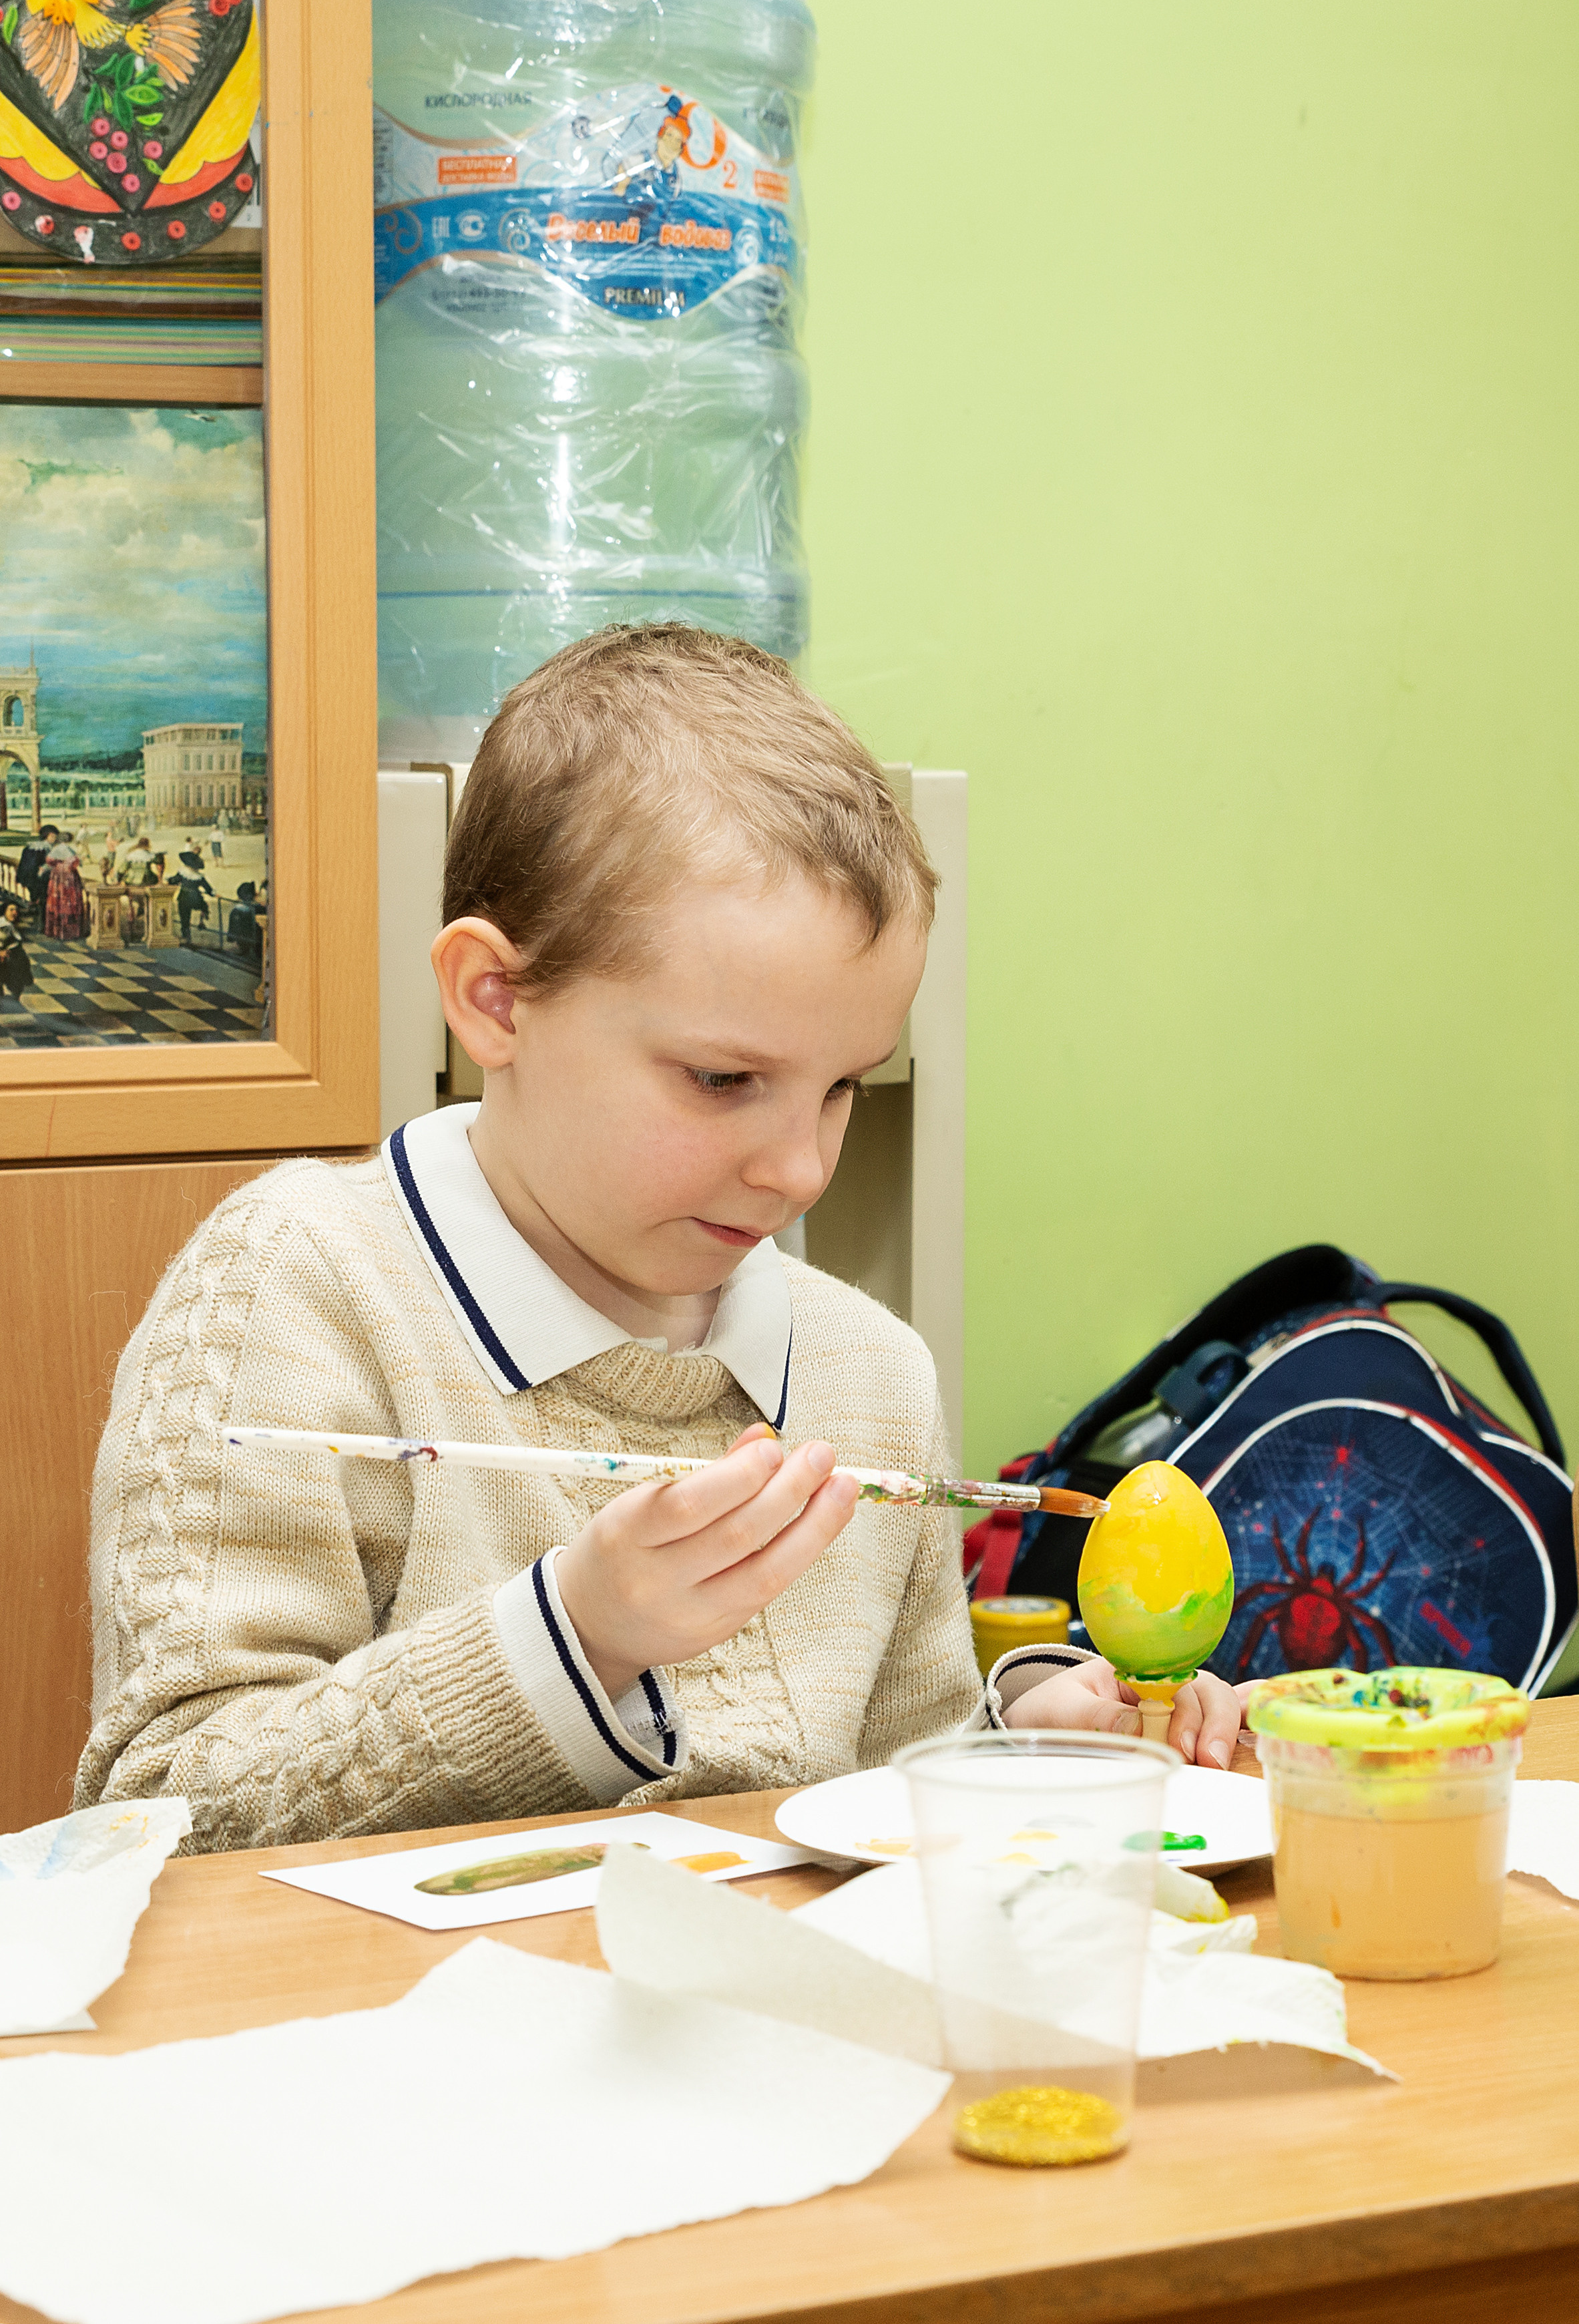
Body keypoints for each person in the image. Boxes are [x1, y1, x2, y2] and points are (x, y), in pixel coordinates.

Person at [76, 627, 1249, 1851]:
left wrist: (1037, 1748)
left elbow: (890, 1811)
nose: (803, 1168)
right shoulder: (294, 1291)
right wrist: (570, 1638)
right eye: (723, 1077)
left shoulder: (870, 1374)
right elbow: (163, 1816)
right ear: (497, 999)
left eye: (845, 1084)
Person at [43, 830, 85, 941]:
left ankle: (56, 931)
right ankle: (69, 932)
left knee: (57, 901)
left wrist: (59, 865)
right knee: (69, 901)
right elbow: (75, 864)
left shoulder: (55, 849)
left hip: (57, 877)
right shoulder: (69, 849)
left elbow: (49, 861)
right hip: (69, 878)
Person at [17, 823, 57, 920]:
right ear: (46, 836)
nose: (54, 839)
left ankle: (38, 918)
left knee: (36, 899)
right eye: (52, 836)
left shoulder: (32, 845)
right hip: (40, 879)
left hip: (28, 878)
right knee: (43, 900)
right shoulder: (46, 848)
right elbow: (47, 864)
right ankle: (42, 922)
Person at [174, 850, 214, 946]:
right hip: (196, 898)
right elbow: (208, 889)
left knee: (184, 917)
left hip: (184, 897)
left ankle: (186, 935)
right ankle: (200, 924)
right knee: (202, 907)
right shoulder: (199, 877)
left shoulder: (183, 874)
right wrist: (213, 894)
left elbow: (174, 880)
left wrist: (169, 881)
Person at [0, 898, 31, 1007]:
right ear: (4, 911)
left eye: (16, 910)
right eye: (11, 910)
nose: (15, 913)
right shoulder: (3, 927)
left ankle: (14, 996)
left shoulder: (11, 925)